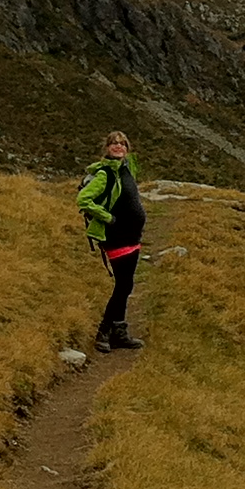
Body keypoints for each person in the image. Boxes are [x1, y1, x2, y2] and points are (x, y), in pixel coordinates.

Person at [76, 130, 146, 352]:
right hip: (117, 237)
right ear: (106, 148)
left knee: (126, 285)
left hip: (132, 237)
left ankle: (119, 331)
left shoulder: (127, 168)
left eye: (122, 143)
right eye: (113, 143)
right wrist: (108, 218)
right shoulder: (106, 173)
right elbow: (83, 199)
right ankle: (104, 332)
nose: (118, 146)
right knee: (123, 285)